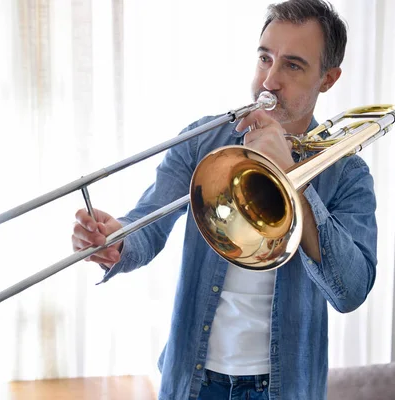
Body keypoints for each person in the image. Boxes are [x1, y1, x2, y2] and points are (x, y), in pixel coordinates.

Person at [72, 0, 378, 399]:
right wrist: (116, 242)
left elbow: (350, 291)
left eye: (293, 65)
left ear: (328, 78)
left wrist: (294, 182)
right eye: (265, 58)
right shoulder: (203, 141)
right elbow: (148, 223)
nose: (269, 81)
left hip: (281, 389)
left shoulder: (348, 174)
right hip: (194, 382)